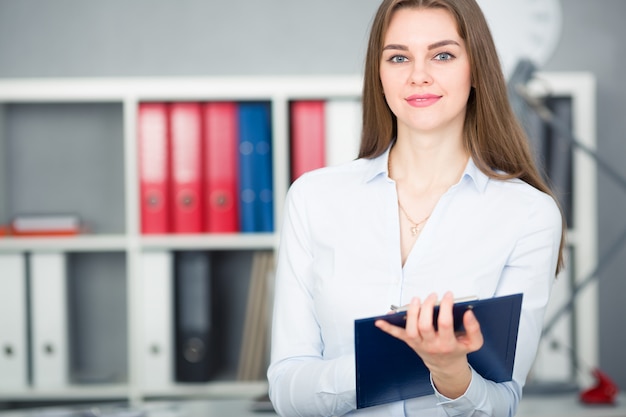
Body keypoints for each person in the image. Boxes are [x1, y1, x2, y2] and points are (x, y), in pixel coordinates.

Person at [267, 0, 566, 415]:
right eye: (398, 57)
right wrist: (404, 361)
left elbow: (502, 404)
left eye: (442, 55)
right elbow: (286, 391)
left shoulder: (530, 215)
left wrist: (451, 374)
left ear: (476, 68)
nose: (418, 75)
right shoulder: (313, 198)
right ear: (380, 74)